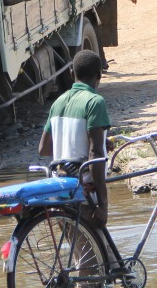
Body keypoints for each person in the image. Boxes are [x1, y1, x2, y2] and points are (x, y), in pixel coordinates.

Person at [38, 50, 110, 228]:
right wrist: (103, 204)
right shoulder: (94, 102)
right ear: (100, 75)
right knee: (94, 255)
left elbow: (44, 149)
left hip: (60, 193)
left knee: (78, 253)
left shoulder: (58, 102)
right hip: (83, 195)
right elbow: (95, 153)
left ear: (71, 74)